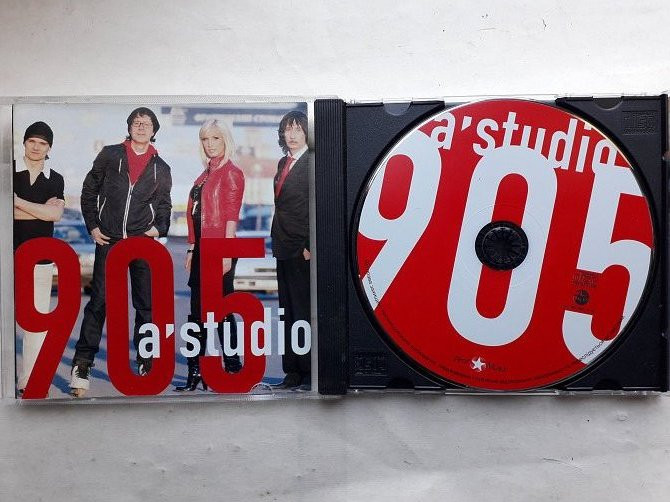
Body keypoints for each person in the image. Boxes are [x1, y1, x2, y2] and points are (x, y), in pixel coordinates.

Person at [70, 107, 172, 397]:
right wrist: (93, 226)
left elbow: (164, 205)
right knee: (99, 301)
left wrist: (158, 229)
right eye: (136, 122)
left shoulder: (161, 167)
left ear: (154, 130)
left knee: (145, 305)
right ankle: (82, 365)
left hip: (141, 243)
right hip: (109, 241)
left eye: (146, 123)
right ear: (129, 127)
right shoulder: (110, 154)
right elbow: (89, 190)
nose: (141, 127)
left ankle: (146, 361)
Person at [175, 119, 244, 392]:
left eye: (215, 138)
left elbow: (231, 217)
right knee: (197, 313)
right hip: (202, 249)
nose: (210, 144)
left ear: (225, 140)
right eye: (205, 139)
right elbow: (195, 215)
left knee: (222, 311)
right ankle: (195, 372)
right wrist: (192, 248)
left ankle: (233, 368)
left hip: (220, 248)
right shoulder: (204, 175)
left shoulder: (231, 173)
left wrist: (226, 253)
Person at [13, 121, 65, 395]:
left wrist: (16, 202)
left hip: (41, 260)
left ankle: (30, 381)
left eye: (42, 143)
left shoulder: (55, 179)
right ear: (24, 143)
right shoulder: (8, 171)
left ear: (49, 148)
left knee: (36, 324)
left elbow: (54, 215)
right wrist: (39, 210)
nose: (36, 147)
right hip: (8, 256)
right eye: (32, 141)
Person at [271, 110, 311, 389]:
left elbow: (318, 207)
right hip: (283, 246)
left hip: (302, 249)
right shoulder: (283, 162)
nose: (292, 135)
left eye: (298, 129)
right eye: (288, 129)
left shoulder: (312, 163)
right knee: (287, 312)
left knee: (303, 313)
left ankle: (308, 371)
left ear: (307, 133)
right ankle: (292, 371)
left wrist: (309, 245)